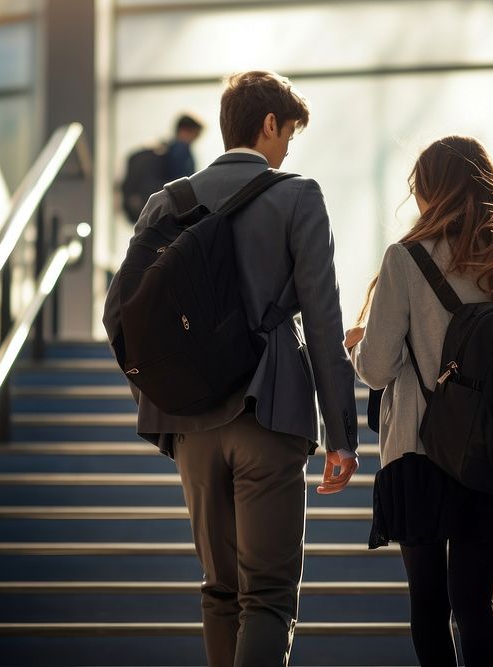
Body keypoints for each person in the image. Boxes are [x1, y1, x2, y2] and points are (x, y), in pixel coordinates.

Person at [103, 70, 359, 667]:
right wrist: (341, 436)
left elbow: (122, 312)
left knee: (220, 591)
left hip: (188, 423)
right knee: (267, 598)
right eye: (288, 134)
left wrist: (166, 389)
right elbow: (324, 321)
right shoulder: (298, 196)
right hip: (267, 413)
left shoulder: (167, 200)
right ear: (269, 124)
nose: (288, 148)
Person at [345, 136, 493, 666]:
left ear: (430, 191)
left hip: (420, 450)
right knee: (476, 604)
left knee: (430, 605)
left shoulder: (407, 259)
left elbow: (377, 368)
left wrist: (358, 343)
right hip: (492, 451)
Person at [166, 113, 204, 180]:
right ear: (184, 131)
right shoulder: (180, 150)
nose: (196, 138)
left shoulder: (169, 147)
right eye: (196, 133)